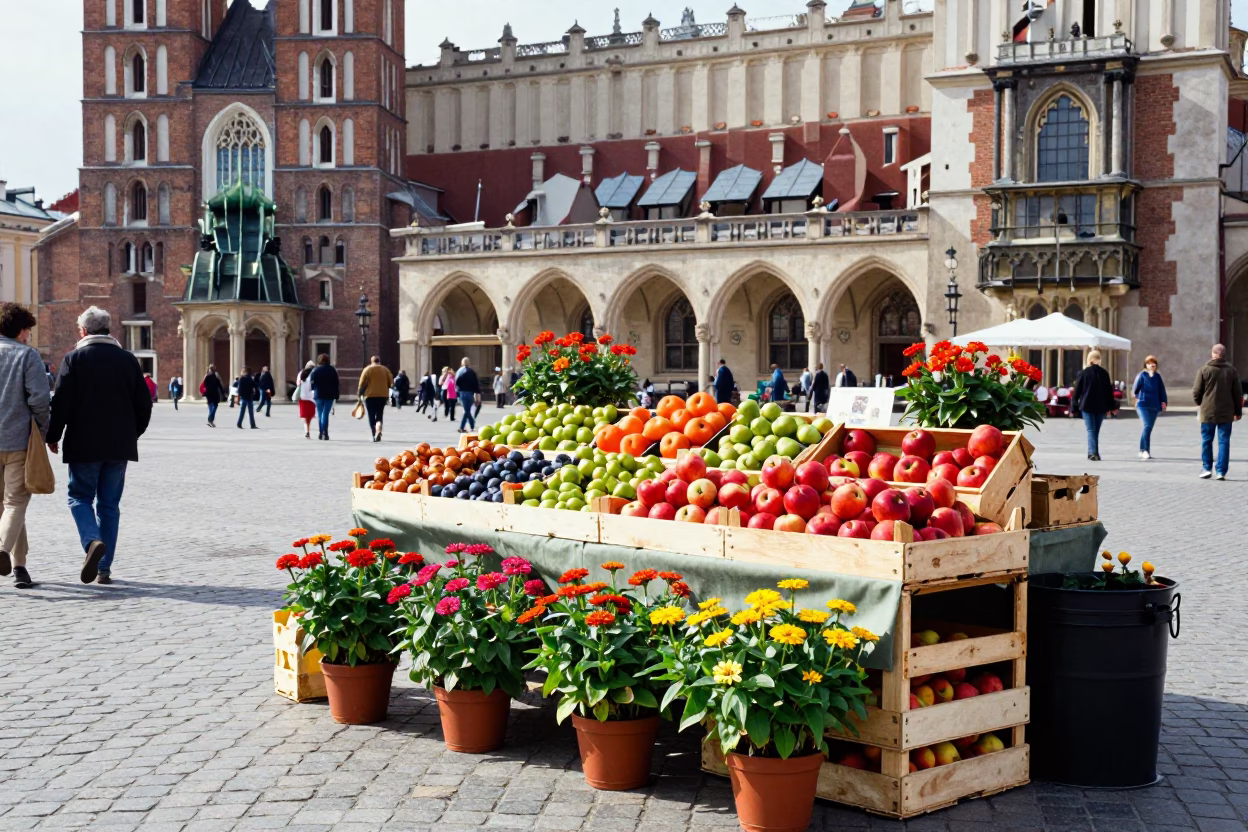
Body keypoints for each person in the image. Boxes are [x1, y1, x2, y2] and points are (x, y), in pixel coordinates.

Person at [46, 306, 153, 585]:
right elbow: (144, 405)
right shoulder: (128, 360)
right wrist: (132, 433)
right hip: (120, 446)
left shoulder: (74, 359)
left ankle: (92, 540)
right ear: (109, 330)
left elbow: (62, 403)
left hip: (84, 445)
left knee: (79, 497)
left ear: (83, 331)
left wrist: (53, 435)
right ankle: (104, 569)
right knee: (109, 506)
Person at [0, 303, 51, 589]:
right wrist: (40, 431)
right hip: (19, 441)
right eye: (29, 331)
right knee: (15, 503)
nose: (29, 336)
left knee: (6, 508)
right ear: (21, 331)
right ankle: (3, 551)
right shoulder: (27, 356)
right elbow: (40, 400)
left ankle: (20, 567)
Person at [1192, 343, 1242, 480]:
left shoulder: (1204, 370)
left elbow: (1196, 391)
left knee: (1207, 440)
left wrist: (1200, 403)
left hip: (1207, 411)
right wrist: (1238, 411)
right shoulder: (1231, 371)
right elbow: (1238, 393)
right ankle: (1221, 471)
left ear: (1213, 354)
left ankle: (1207, 468)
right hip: (1226, 412)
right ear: (1223, 354)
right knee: (1224, 441)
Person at [1071, 350, 1115, 461]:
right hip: (1101, 406)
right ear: (1099, 360)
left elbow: (1077, 392)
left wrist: (1074, 406)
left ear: (1089, 359)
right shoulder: (1104, 373)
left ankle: (1092, 453)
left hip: (1087, 406)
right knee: (1096, 430)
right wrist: (1111, 406)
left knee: (1091, 430)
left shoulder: (1083, 373)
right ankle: (1094, 452)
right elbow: (1109, 392)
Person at [1132, 355, 1168, 460]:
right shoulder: (1142, 375)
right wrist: (1139, 398)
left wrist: (1164, 402)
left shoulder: (1157, 377)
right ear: (1146, 365)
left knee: (1148, 428)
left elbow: (1162, 390)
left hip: (1154, 405)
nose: (1152, 365)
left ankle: (1142, 449)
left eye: (1153, 363)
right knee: (1147, 426)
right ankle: (1145, 450)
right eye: (1149, 363)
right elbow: (1135, 390)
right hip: (1143, 405)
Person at [359, 356, 393, 443]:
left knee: (371, 415)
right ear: (379, 361)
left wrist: (359, 394)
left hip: (370, 396)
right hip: (382, 395)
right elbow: (391, 382)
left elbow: (361, 383)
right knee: (379, 414)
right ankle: (379, 429)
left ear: (371, 361)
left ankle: (374, 433)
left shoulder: (367, 369)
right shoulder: (385, 370)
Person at [309, 354, 340, 440]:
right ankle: (325, 432)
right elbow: (336, 383)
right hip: (330, 394)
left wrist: (313, 389)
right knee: (326, 413)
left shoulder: (315, 370)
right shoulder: (332, 370)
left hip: (318, 394)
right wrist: (337, 395)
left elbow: (312, 382)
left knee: (320, 413)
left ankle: (321, 432)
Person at [455, 357, 480, 433]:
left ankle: (462, 427)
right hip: (470, 393)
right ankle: (471, 426)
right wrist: (477, 396)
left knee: (466, 411)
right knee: (467, 411)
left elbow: (456, 382)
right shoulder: (472, 372)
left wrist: (458, 392)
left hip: (462, 393)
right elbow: (476, 385)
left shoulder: (460, 371)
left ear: (462, 363)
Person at [295, 360, 316, 438]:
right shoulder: (314, 374)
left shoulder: (301, 373)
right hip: (311, 398)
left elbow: (297, 384)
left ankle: (306, 431)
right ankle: (307, 430)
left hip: (302, 397)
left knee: (305, 417)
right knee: (309, 417)